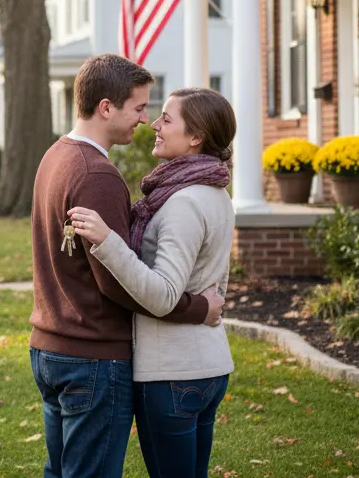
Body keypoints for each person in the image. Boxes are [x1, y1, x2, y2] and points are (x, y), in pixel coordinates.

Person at [30, 55, 225, 478]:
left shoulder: (56, 155)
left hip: (51, 346)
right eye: (138, 107)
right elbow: (117, 284)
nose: (146, 119)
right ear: (105, 107)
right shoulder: (97, 174)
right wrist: (198, 308)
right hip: (92, 357)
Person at [70, 87, 237, 478]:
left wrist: (107, 240)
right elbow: (217, 279)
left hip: (172, 374)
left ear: (195, 137)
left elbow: (163, 294)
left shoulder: (183, 203)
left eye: (167, 118)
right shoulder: (216, 192)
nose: (155, 125)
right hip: (207, 365)